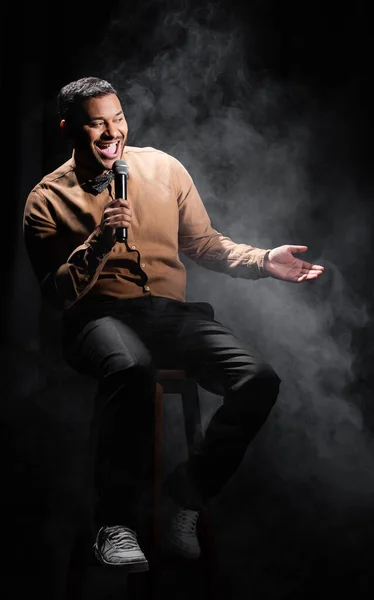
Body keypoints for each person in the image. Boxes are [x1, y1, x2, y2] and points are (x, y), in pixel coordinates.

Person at [23, 76, 324, 573]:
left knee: (258, 379)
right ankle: (114, 524)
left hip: (167, 314)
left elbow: (206, 244)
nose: (110, 133)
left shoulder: (165, 168)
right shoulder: (45, 200)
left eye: (117, 119)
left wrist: (262, 258)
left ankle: (187, 493)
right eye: (96, 124)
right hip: (96, 317)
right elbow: (57, 296)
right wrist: (100, 243)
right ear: (68, 129)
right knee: (131, 368)